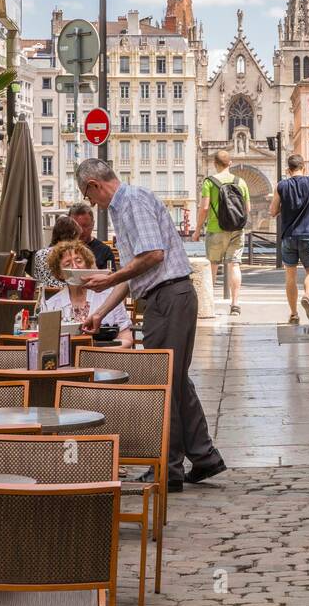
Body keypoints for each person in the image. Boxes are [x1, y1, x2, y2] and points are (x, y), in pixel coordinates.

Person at [76, 158, 226, 492]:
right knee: (174, 378)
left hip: (168, 297)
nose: (92, 204)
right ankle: (204, 457)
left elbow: (153, 255)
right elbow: (136, 271)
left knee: (164, 381)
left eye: (89, 197)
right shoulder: (125, 205)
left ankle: (169, 468)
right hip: (167, 297)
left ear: (93, 185)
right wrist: (100, 313)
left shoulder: (131, 202)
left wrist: (111, 277)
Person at [194, 150, 250, 317]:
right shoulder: (241, 182)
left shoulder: (209, 182)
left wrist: (197, 229)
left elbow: (204, 208)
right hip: (237, 229)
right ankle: (235, 304)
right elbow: (247, 209)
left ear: (215, 164)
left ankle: (208, 304)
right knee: (235, 265)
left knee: (212, 265)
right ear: (230, 163)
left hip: (215, 228)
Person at [270, 153, 309, 324]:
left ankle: (293, 314)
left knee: (290, 276)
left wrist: (283, 207)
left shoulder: (281, 186)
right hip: (308, 234)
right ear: (304, 167)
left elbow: (272, 211)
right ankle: (307, 296)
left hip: (289, 235)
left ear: (288, 169)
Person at [30, 216, 81, 284]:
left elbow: (37, 279)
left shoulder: (39, 254)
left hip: (45, 293)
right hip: (66, 293)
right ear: (73, 234)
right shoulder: (72, 254)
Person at [68, 201, 115, 271]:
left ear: (93, 224)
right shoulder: (60, 249)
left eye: (85, 226)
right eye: (76, 226)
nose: (81, 231)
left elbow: (111, 278)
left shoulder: (104, 251)